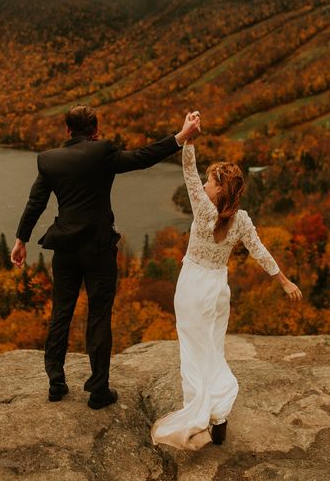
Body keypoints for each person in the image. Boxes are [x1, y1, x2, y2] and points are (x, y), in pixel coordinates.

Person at [11, 105, 201, 409]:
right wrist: (181, 136)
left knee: (61, 311)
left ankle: (56, 383)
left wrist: (22, 240)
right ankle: (98, 390)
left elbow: (36, 202)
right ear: (95, 131)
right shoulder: (102, 152)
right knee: (99, 316)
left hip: (65, 250)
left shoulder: (49, 160)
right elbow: (141, 158)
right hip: (98, 249)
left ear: (68, 131)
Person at [151, 113, 302, 450]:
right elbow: (260, 252)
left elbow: (188, 171)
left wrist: (188, 138)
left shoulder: (204, 210)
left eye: (210, 182)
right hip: (218, 290)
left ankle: (198, 421)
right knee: (213, 351)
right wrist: (285, 281)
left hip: (193, 287)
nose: (204, 185)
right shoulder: (241, 220)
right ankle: (219, 421)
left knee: (193, 352)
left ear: (219, 187)